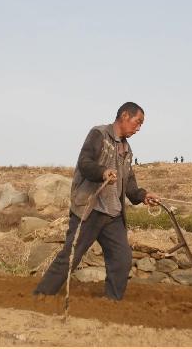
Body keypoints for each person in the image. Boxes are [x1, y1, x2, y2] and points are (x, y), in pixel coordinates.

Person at [33, 102, 159, 301]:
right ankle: (41, 296)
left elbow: (131, 186)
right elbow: (85, 163)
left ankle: (111, 301)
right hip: (90, 209)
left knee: (122, 259)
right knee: (71, 256)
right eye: (138, 122)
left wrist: (144, 196)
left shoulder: (127, 150)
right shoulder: (98, 134)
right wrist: (103, 172)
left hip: (113, 214)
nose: (139, 128)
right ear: (125, 115)